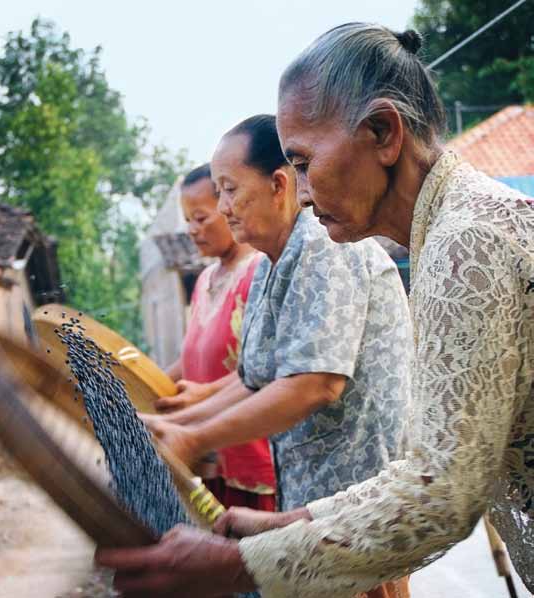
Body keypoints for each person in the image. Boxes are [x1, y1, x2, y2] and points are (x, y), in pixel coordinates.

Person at [97, 23, 534, 598]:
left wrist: (241, 563)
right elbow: (428, 467)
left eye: (303, 163)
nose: (301, 193)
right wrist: (291, 524)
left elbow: (443, 494)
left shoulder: (464, 242)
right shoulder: (447, 231)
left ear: (383, 133)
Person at [103, 113, 413, 597]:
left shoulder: (324, 246)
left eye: (229, 189)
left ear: (278, 184)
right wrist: (177, 426)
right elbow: (252, 378)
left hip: (360, 504)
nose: (224, 207)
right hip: (311, 503)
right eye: (219, 193)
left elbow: (315, 384)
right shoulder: (272, 264)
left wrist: (190, 437)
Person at [162, 163, 276, 511]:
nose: (193, 231)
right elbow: (193, 356)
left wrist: (206, 395)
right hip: (208, 455)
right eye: (187, 221)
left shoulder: (259, 272)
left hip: (250, 452)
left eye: (201, 218)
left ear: (229, 206)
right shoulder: (205, 279)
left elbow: (267, 367)